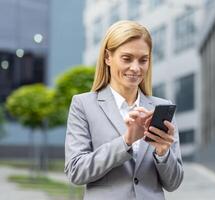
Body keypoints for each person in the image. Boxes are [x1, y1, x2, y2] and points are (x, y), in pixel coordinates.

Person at [64, 20, 184, 200]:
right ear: (107, 58)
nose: (136, 68)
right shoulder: (84, 105)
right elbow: (76, 172)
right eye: (127, 58)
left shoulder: (161, 108)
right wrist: (126, 141)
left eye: (143, 60)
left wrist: (163, 152)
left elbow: (173, 183)